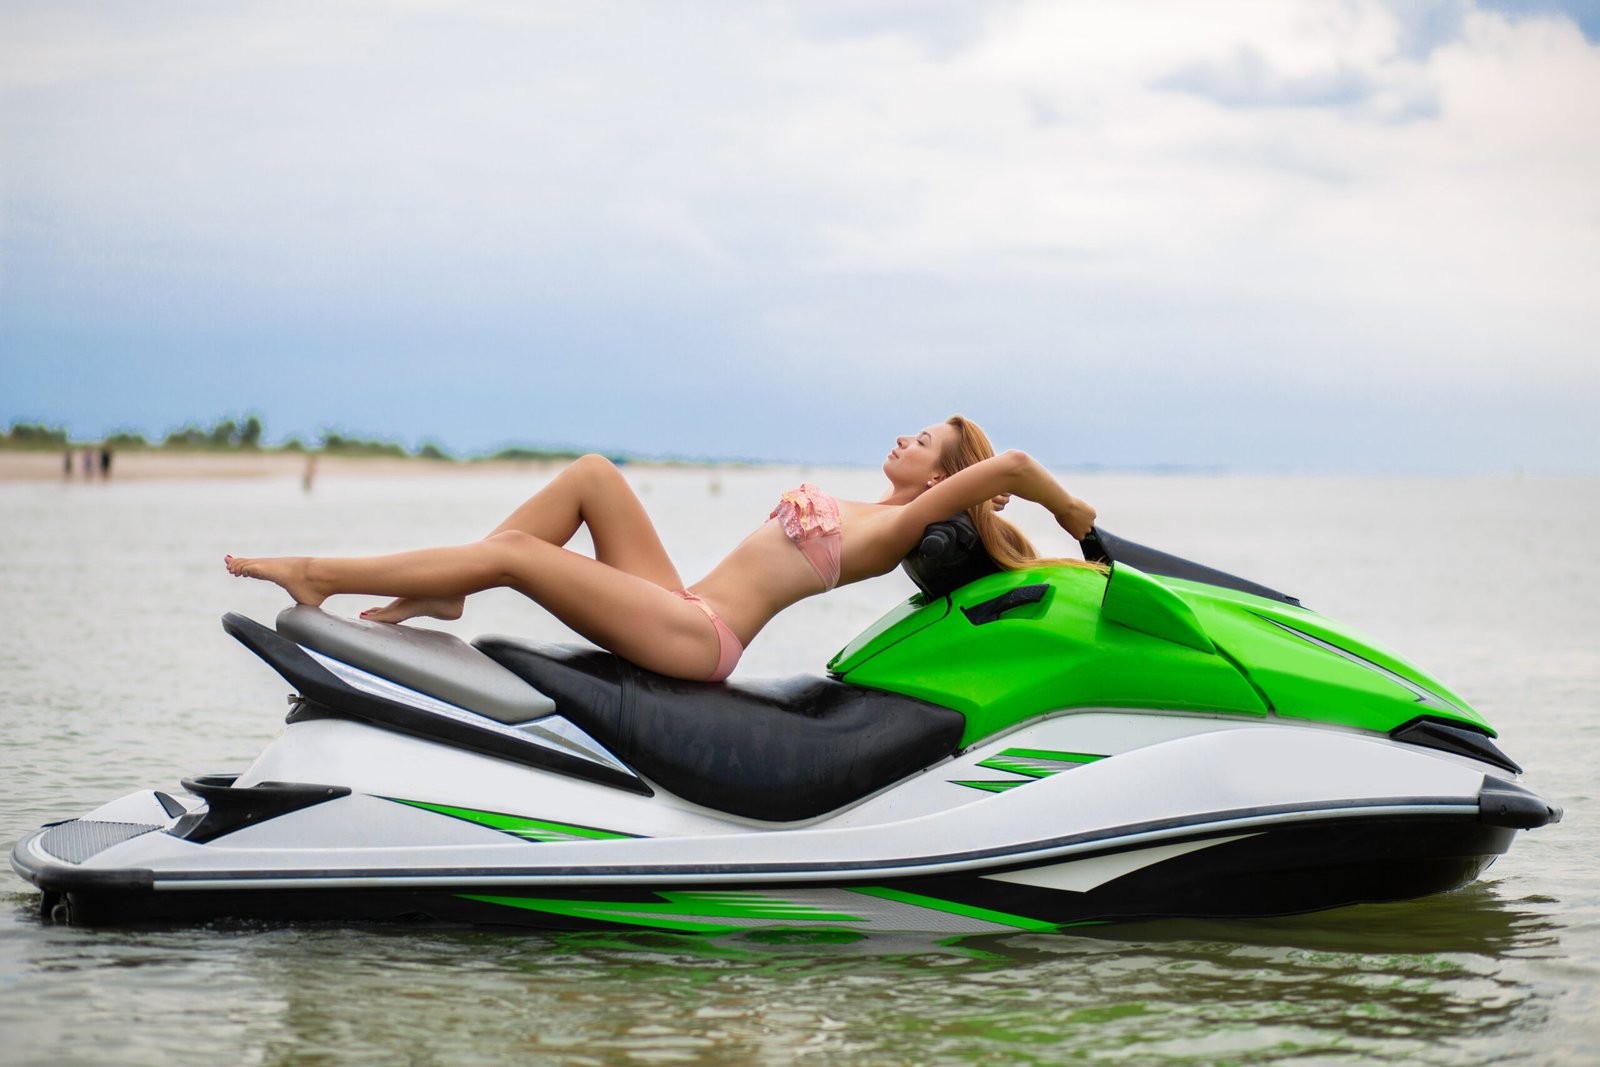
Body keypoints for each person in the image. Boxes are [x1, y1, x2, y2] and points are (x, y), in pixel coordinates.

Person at [225, 416, 1097, 682]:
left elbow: (1014, 464)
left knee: (522, 560)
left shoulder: (901, 524)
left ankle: (321, 572)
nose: (904, 439)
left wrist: (1075, 515)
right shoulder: (869, 507)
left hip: (701, 639)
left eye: (923, 438)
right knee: (595, 475)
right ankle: (451, 586)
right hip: (681, 604)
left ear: (946, 471)